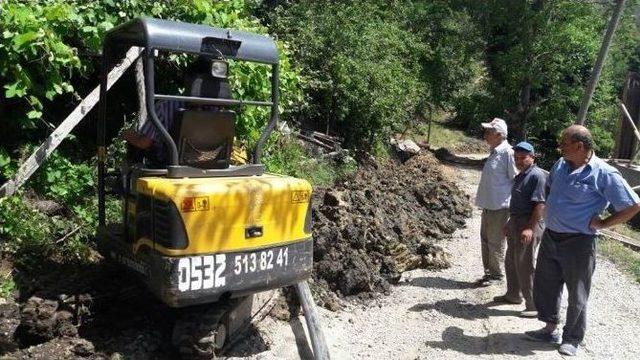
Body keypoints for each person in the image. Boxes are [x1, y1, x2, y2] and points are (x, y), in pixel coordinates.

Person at [525, 125, 640, 356]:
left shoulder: (604, 173)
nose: (560, 147)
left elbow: (633, 205)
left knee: (577, 292)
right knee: (546, 284)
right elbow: (550, 191)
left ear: (579, 146)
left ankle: (572, 338)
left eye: (564, 144)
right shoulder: (560, 165)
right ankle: (549, 328)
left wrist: (605, 223)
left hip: (579, 242)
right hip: (551, 236)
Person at [493, 141, 545, 318]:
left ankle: (533, 305)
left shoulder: (536, 176)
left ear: (532, 157)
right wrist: (509, 222)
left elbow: (540, 204)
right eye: (516, 158)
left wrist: (530, 228)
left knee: (525, 264)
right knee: (511, 260)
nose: (519, 161)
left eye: (523, 158)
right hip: (516, 222)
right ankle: (513, 294)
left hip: (529, 223)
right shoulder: (521, 175)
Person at [475, 118, 518, 286]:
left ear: (499, 135)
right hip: (489, 205)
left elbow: (516, 179)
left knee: (495, 241)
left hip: (500, 207)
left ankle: (496, 275)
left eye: (489, 132)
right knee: (486, 240)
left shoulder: (507, 153)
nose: (485, 135)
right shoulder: (495, 152)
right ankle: (489, 273)